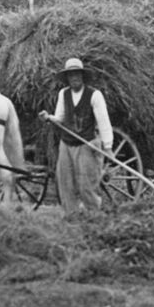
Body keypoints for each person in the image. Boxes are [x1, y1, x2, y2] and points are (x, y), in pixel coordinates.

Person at [38, 57, 114, 216]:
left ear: (83, 76)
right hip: (66, 144)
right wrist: (48, 117)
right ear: (67, 78)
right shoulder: (63, 94)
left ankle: (94, 215)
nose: (74, 78)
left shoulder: (94, 95)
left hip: (87, 143)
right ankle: (71, 215)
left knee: (87, 184)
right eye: (71, 75)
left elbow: (103, 122)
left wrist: (108, 147)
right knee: (65, 182)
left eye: (77, 74)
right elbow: (59, 118)